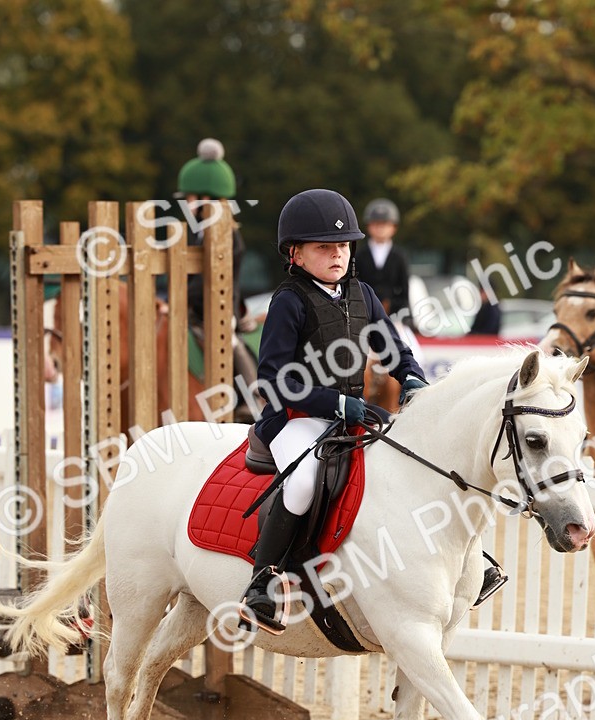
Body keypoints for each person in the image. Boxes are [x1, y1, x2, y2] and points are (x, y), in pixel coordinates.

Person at [239, 188, 427, 631]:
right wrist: (336, 403)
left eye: (342, 246)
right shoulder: (289, 300)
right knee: (303, 482)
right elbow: (273, 378)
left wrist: (412, 376)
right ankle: (260, 585)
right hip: (295, 420)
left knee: (404, 469)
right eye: (324, 247)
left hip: (349, 416)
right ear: (296, 254)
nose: (337, 255)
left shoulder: (361, 292)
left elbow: (392, 348)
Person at [174, 138, 258, 410]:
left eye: (189, 198)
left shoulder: (227, 235)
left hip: (219, 305)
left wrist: (177, 297)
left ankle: (252, 396)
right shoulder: (196, 231)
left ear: (204, 198)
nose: (186, 203)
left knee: (229, 340)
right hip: (194, 309)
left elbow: (209, 280)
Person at [355, 198, 412, 323]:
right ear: (368, 226)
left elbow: (404, 289)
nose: (380, 228)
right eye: (376, 224)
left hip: (393, 317)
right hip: (364, 314)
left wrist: (399, 314)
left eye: (385, 224)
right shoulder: (359, 254)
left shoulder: (399, 256)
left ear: (394, 227)